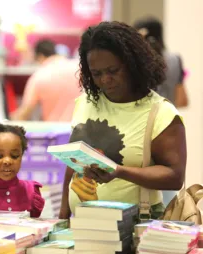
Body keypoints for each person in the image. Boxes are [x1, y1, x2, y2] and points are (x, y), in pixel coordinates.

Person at [59, 21, 186, 220]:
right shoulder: (86, 102)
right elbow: (73, 164)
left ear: (132, 65)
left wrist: (119, 172)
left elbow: (174, 176)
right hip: (84, 223)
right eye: (97, 73)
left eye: (113, 71)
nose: (105, 80)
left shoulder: (160, 112)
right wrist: (63, 217)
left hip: (137, 226)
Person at [10, 39, 81, 121]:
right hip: (85, 130)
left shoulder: (38, 76)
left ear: (40, 56)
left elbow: (24, 113)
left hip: (55, 131)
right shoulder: (79, 68)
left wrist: (8, 121)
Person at [134, 17, 189, 108]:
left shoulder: (137, 59)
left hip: (143, 117)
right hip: (169, 116)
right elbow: (182, 101)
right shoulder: (175, 59)